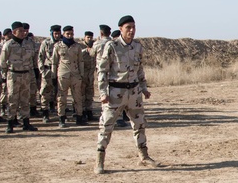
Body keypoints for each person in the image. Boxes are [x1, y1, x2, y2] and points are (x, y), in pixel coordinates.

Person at [95, 15, 159, 173]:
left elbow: (140, 69)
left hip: (134, 93)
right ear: (121, 29)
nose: (131, 30)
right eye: (128, 28)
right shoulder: (112, 46)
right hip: (115, 92)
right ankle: (99, 160)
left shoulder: (137, 47)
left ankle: (143, 156)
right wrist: (103, 93)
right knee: (107, 125)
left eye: (133, 27)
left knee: (140, 124)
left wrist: (144, 87)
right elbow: (102, 71)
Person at [0, 21, 38, 133]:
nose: (23, 33)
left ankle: (26, 122)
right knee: (12, 99)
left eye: (24, 31)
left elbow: (32, 60)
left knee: (25, 99)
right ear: (13, 32)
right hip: (13, 74)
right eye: (20, 31)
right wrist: (4, 76)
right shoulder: (8, 45)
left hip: (26, 74)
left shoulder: (28, 44)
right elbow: (2, 62)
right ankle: (10, 123)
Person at [52, 25, 86, 127]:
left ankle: (79, 117)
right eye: (68, 34)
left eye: (71, 34)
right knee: (62, 97)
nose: (70, 35)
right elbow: (54, 62)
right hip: (63, 75)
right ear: (63, 34)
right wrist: (53, 76)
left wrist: (82, 75)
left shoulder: (77, 46)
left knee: (78, 97)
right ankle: (61, 118)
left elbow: (81, 61)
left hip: (75, 75)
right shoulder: (58, 46)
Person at [38, 24, 61, 122]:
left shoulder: (62, 43)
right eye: (55, 33)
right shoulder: (46, 43)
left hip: (59, 70)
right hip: (48, 70)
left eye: (58, 33)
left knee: (58, 92)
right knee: (45, 92)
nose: (57, 35)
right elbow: (40, 57)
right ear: (51, 33)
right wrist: (42, 70)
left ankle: (59, 112)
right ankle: (45, 113)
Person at [81, 30, 96, 121]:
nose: (89, 39)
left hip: (90, 74)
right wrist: (85, 50)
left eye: (91, 37)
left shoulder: (94, 46)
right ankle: (82, 112)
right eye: (88, 37)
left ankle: (89, 111)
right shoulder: (80, 46)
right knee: (82, 94)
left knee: (90, 94)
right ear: (84, 38)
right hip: (82, 74)